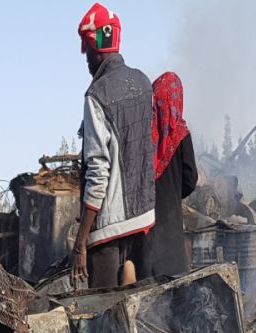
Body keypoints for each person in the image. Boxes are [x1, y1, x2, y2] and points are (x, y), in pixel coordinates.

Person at [71, 3, 155, 289]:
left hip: (109, 225)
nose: (86, 62)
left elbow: (98, 170)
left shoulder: (97, 95)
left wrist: (81, 241)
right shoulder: (144, 83)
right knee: (142, 311)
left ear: (95, 48)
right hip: (144, 219)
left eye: (86, 53)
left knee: (103, 315)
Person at [147, 72, 198, 278]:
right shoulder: (181, 134)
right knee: (173, 291)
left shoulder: (143, 135)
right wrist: (174, 194)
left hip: (145, 228)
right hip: (172, 232)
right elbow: (190, 178)